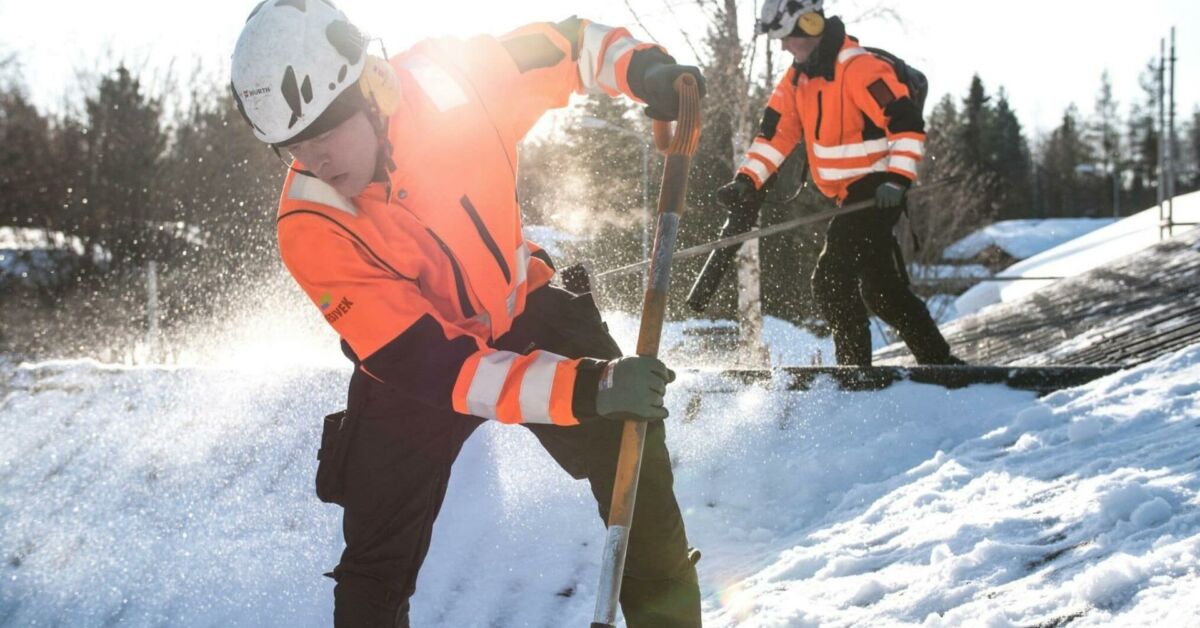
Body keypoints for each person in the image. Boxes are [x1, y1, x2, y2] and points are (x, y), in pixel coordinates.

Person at [229, 2, 704, 626]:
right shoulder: (311, 225)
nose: (314, 161)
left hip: (523, 306)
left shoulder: (455, 79)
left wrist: (643, 69)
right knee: (375, 564)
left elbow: (568, 46)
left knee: (634, 461)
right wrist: (590, 387)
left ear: (369, 88)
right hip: (415, 369)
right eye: (293, 147)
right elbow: (444, 369)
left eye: (323, 133)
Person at [716, 0, 961, 366]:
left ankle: (853, 371)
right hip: (849, 197)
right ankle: (941, 364)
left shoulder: (860, 68)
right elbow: (775, 137)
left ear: (811, 25)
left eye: (785, 37)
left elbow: (907, 126)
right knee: (883, 292)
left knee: (831, 278)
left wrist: (897, 179)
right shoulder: (796, 79)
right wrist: (747, 180)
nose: (782, 47)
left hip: (877, 191)